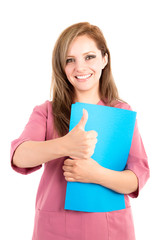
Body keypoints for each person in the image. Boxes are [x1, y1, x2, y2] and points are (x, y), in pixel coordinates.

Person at [10, 22, 150, 240]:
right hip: (55, 229)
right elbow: (19, 156)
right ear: (61, 67)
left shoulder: (121, 113)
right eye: (70, 60)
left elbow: (136, 178)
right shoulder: (46, 112)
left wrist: (95, 174)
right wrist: (66, 144)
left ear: (105, 59)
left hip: (110, 229)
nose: (80, 67)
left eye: (89, 57)